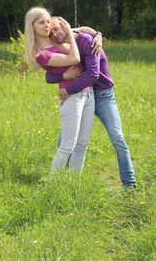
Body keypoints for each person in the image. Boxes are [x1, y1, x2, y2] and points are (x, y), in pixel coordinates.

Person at [46, 20, 137, 188]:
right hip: (81, 95)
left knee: (117, 137)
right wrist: (64, 77)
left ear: (63, 23)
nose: (55, 35)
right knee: (65, 143)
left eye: (56, 29)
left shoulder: (87, 39)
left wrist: (98, 35)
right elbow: (49, 76)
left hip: (102, 94)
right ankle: (64, 183)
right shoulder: (62, 48)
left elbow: (93, 74)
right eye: (51, 34)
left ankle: (129, 184)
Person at [24, 7, 95, 173]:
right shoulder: (41, 54)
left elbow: (83, 31)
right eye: (42, 22)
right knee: (68, 145)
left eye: (48, 21)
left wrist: (97, 36)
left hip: (88, 93)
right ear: (32, 26)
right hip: (70, 97)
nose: (47, 25)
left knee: (82, 145)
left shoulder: (54, 41)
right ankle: (52, 186)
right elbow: (75, 58)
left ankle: (73, 184)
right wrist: (69, 32)